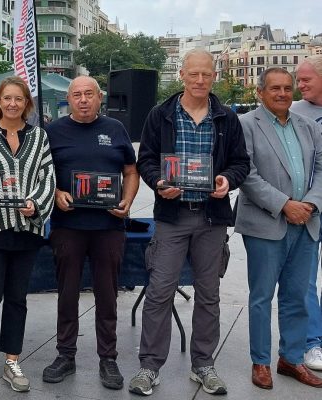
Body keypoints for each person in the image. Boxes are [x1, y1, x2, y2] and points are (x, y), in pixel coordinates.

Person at [131, 48, 249, 396]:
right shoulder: (161, 114)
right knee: (159, 292)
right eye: (193, 74)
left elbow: (241, 163)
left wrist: (227, 179)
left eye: (206, 75)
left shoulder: (227, 117)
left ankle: (203, 365)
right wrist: (159, 183)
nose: (200, 80)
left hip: (211, 219)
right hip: (171, 218)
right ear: (182, 74)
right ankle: (149, 367)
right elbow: (147, 160)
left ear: (214, 77)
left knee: (209, 295)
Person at [42, 76, 138, 390]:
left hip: (108, 227)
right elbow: (41, 174)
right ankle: (65, 355)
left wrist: (127, 200)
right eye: (77, 95)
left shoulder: (115, 129)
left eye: (89, 94)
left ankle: (108, 358)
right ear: (68, 99)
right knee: (67, 293)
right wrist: (56, 192)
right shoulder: (52, 132)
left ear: (100, 98)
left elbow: (130, 171)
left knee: (108, 295)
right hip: (68, 226)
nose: (83, 100)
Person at [0, 76, 56, 392]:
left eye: (19, 99)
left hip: (26, 230)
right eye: (7, 99)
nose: (13, 104)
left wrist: (37, 204)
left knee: (17, 298)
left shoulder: (40, 138)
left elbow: (48, 179)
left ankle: (12, 360)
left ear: (26, 103)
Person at [236, 67, 322, 390]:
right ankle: (261, 362)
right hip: (265, 224)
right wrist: (285, 204)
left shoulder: (307, 126)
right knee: (261, 297)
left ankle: (291, 359)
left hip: (307, 222)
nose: (283, 93)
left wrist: (310, 204)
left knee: (297, 295)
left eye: (288, 88)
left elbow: (321, 167)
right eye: (275, 88)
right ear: (260, 92)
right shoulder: (246, 125)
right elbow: (247, 174)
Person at [291, 55, 322, 371]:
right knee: (306, 280)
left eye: (305, 80)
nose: (299, 86)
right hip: (307, 207)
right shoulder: (294, 111)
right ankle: (313, 342)